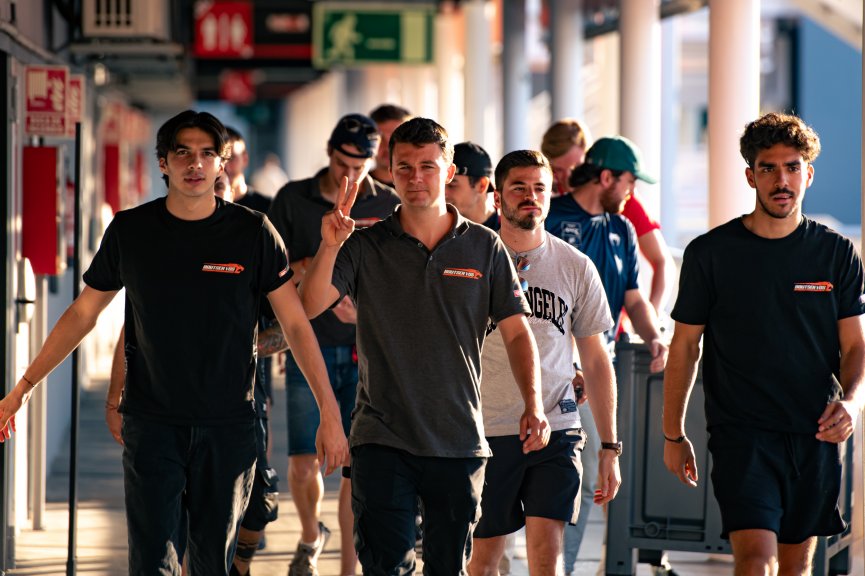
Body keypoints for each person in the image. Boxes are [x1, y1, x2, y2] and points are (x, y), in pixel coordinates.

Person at [0, 110, 349, 575]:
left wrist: (329, 411)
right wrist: (25, 385)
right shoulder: (131, 231)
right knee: (151, 562)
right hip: (152, 423)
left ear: (223, 164)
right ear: (163, 162)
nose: (195, 163)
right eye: (182, 152)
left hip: (228, 424)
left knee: (211, 563)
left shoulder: (253, 232)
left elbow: (297, 324)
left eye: (208, 153)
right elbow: (83, 314)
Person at [299, 117, 551, 574]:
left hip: (458, 441)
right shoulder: (364, 244)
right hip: (381, 438)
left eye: (428, 167)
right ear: (389, 172)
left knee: (447, 568)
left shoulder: (485, 247)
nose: (416, 178)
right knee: (385, 567)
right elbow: (312, 305)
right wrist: (330, 246)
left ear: (449, 170)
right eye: (404, 168)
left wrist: (533, 404)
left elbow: (517, 332)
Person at [663, 112, 865, 575]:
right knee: (755, 561)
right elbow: (685, 347)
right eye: (769, 168)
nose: (782, 180)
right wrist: (673, 433)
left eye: (792, 167)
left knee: (794, 568)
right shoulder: (710, 254)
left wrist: (852, 404)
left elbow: (855, 345)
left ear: (808, 174)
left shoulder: (835, 254)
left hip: (814, 433)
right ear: (750, 175)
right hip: (742, 435)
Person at [467, 150, 621, 576]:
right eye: (519, 188)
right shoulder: (469, 259)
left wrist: (609, 447)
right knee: (483, 561)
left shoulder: (575, 266)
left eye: (540, 188)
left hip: (557, 427)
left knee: (547, 559)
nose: (530, 197)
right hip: (485, 430)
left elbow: (595, 358)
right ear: (497, 197)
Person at [267, 113, 400, 576]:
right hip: (310, 349)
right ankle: (309, 535)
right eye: (344, 162)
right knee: (305, 467)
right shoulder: (293, 199)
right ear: (328, 151)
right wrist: (317, 263)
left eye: (362, 165)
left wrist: (363, 311)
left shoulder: (387, 204)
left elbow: (397, 283)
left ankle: (348, 568)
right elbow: (273, 274)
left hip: (368, 353)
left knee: (352, 470)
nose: (352, 174)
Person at [545, 135, 669, 576]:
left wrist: (654, 336)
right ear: (606, 177)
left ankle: (571, 567)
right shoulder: (550, 218)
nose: (632, 192)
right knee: (554, 476)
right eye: (629, 182)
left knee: (589, 479)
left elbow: (634, 299)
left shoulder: (622, 230)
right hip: (549, 371)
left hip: (601, 368)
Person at [541, 119, 674, 316]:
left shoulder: (623, 200)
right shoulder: (545, 200)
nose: (567, 176)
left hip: (613, 329)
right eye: (557, 170)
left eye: (575, 166)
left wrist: (648, 321)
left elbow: (663, 262)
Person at [445, 141, 499, 230]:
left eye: (452, 185)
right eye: (442, 185)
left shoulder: (513, 235)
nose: (443, 193)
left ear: (482, 185)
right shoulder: (436, 233)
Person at [368, 103, 412, 186]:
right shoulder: (357, 187)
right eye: (380, 139)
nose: (388, 147)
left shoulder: (420, 187)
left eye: (396, 139)